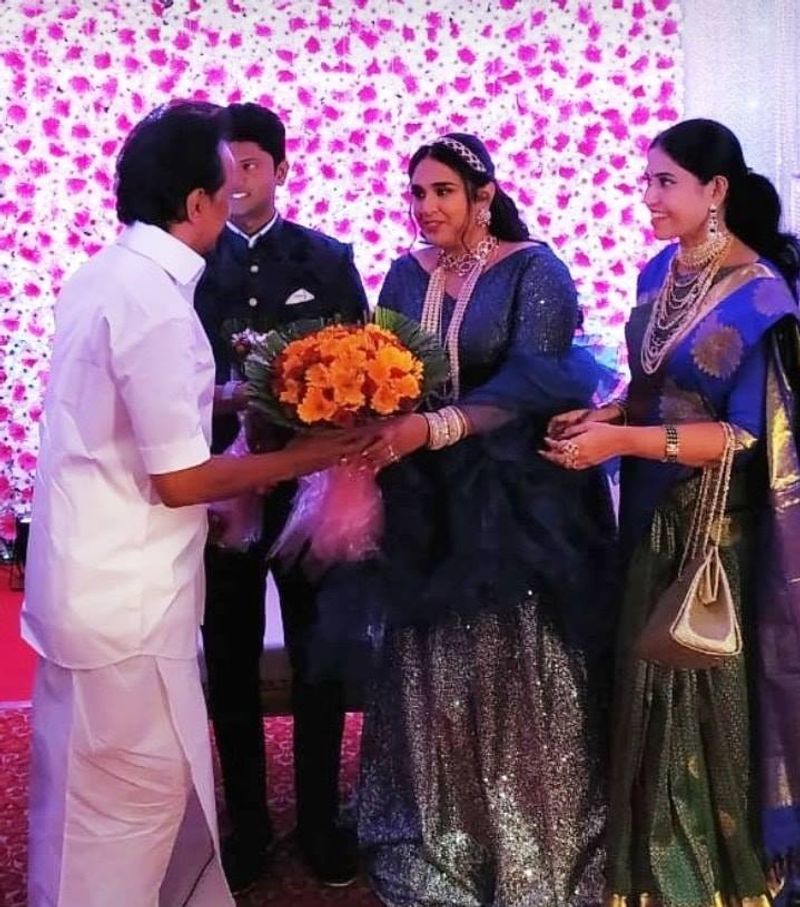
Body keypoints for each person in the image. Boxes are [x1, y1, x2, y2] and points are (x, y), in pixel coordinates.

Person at [20, 102, 368, 907]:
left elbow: (137, 407)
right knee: (128, 798)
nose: (237, 189)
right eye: (225, 176)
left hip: (90, 576)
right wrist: (308, 455)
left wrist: (238, 395)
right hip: (128, 594)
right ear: (198, 201)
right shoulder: (157, 303)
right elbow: (180, 479)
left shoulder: (107, 274)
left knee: (86, 783)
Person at [313, 134, 617, 906]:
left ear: (483, 196)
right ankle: (440, 829)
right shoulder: (403, 272)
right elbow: (389, 368)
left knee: (512, 657)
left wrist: (438, 426)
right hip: (425, 495)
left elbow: (532, 382)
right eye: (416, 192)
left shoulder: (534, 270)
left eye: (442, 191)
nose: (426, 207)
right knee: (430, 661)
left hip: (515, 495)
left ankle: (531, 843)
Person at [543, 118, 800, 907]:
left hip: (713, 530)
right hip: (649, 516)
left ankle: (709, 882)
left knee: (695, 690)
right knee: (644, 682)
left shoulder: (761, 296)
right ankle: (644, 869)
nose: (647, 196)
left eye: (665, 182)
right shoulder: (660, 270)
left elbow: (743, 435)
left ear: (715, 189)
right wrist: (605, 414)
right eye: (646, 179)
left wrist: (620, 439)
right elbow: (659, 386)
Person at [193, 101, 369, 893]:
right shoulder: (190, 264)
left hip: (310, 491)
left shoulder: (326, 258)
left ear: (281, 169)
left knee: (317, 656)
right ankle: (250, 823)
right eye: (224, 167)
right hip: (222, 490)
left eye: (251, 165)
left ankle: (322, 820)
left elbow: (364, 360)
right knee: (228, 659)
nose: (236, 181)